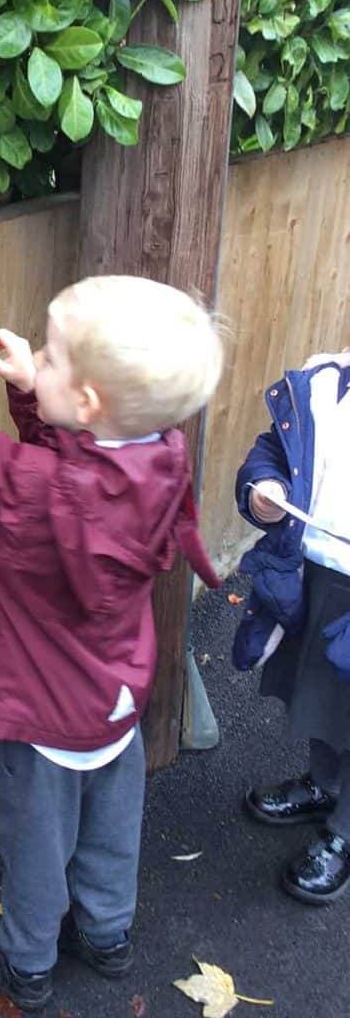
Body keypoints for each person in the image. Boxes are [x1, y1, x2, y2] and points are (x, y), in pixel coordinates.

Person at [0, 261, 223, 1011]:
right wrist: (35, 392)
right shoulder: (160, 454)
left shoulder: (37, 500)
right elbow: (81, 468)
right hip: (114, 698)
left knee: (36, 847)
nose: (43, 360)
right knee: (110, 826)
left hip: (43, 714)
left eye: (54, 357)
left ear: (92, 399)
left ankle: (26, 963)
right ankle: (108, 935)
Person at [234, 348, 350, 905]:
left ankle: (344, 833)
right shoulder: (322, 385)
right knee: (321, 700)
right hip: (316, 577)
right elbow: (273, 453)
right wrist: (264, 492)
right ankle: (325, 785)